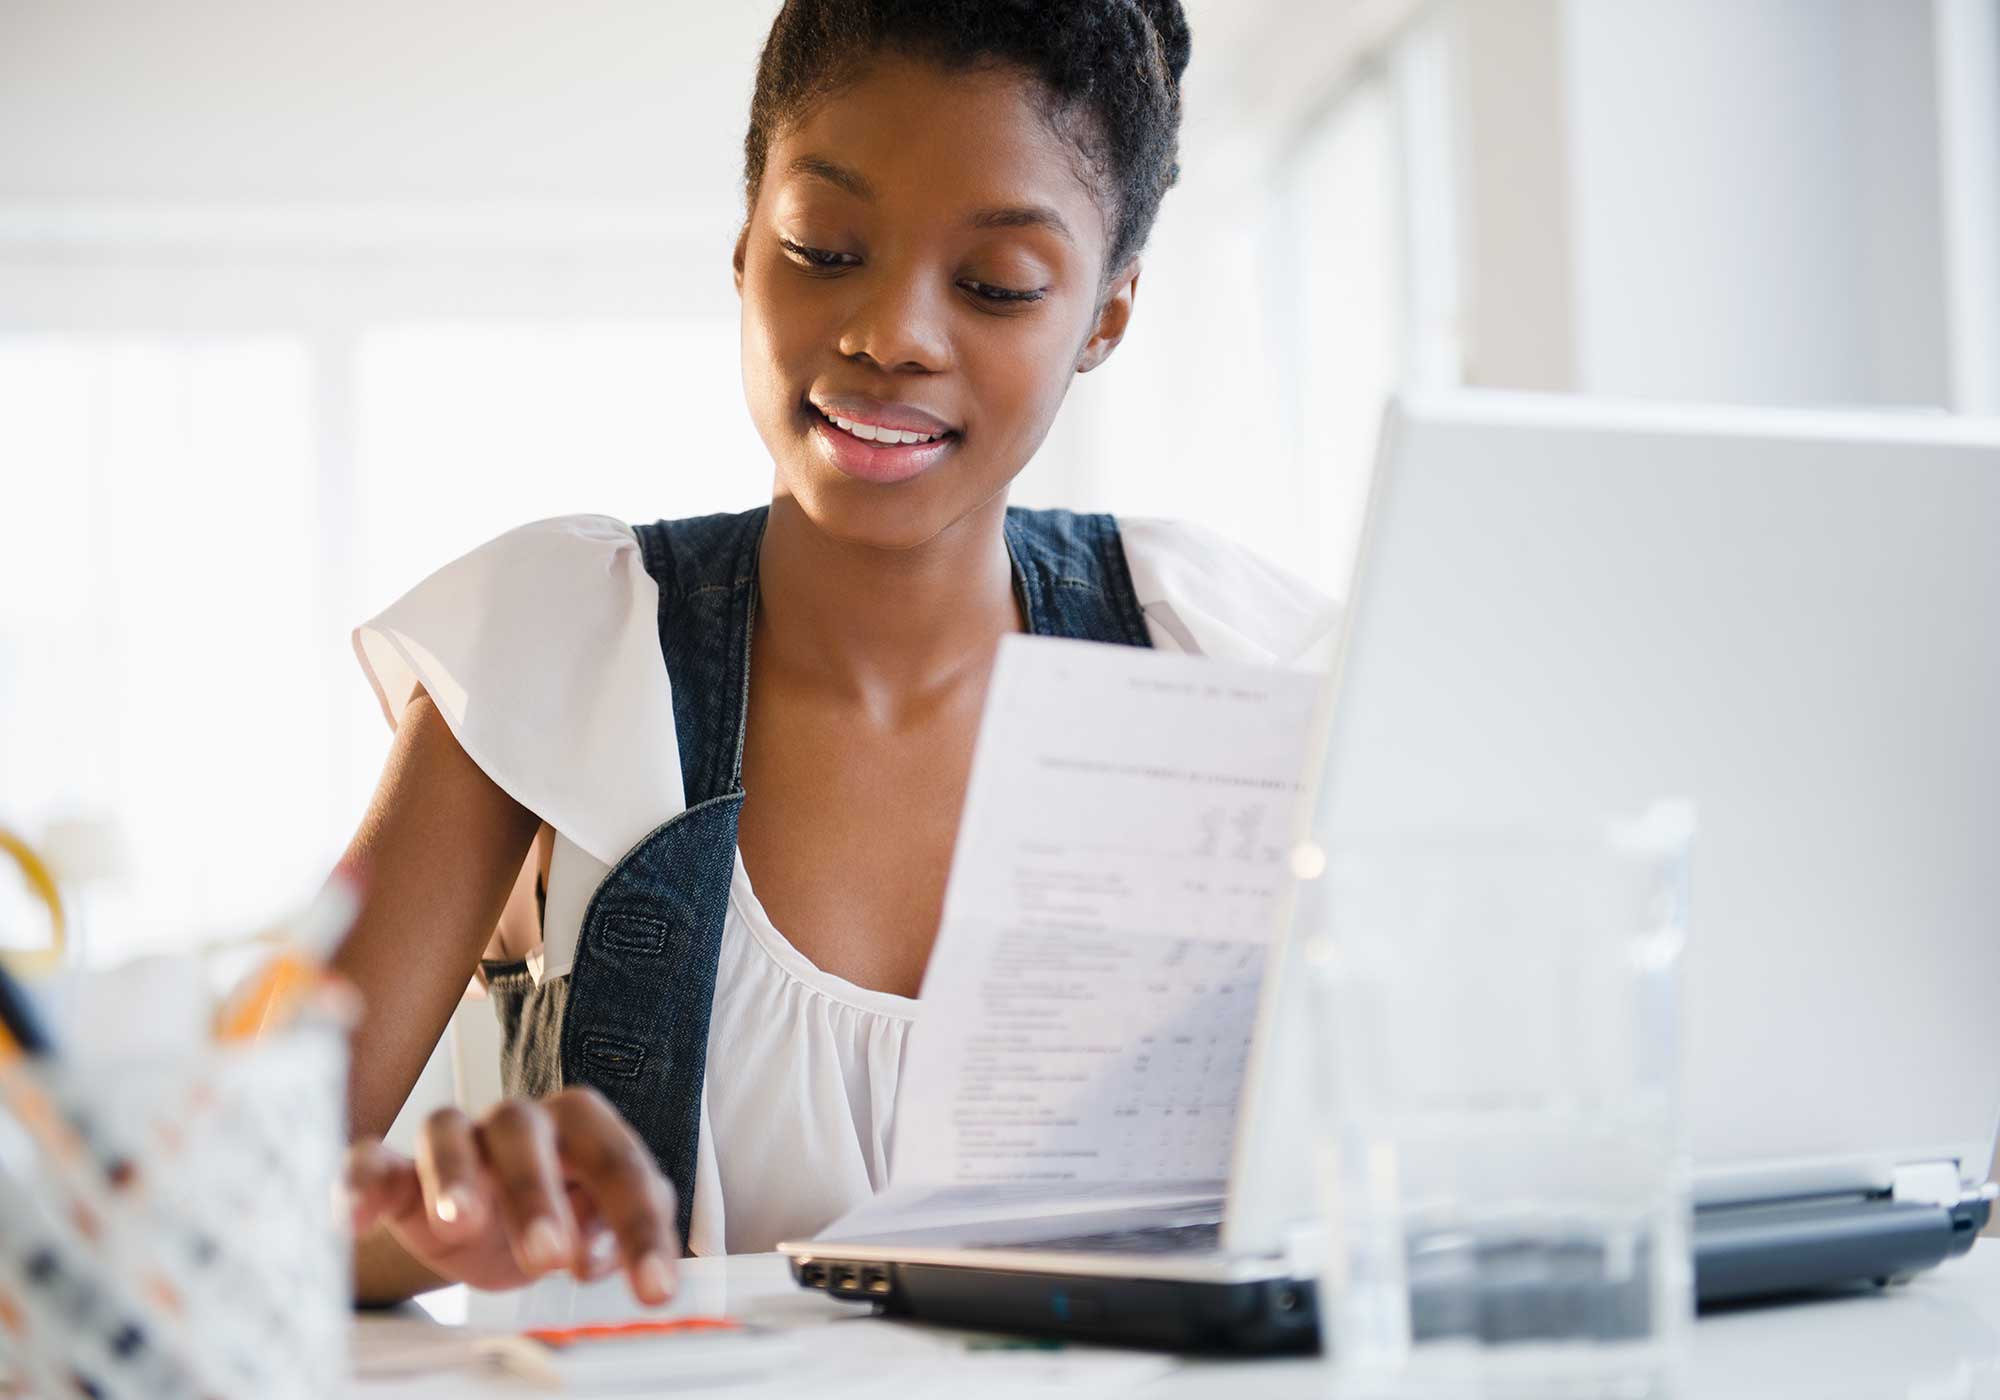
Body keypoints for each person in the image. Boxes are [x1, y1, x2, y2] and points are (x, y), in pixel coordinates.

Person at [335, 0, 1337, 1307]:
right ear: (747, 243)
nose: (889, 334)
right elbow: (194, 1222)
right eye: (824, 248)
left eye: (995, 285)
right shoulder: (553, 655)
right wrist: (443, 1238)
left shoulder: (1218, 661)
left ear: (1104, 317)